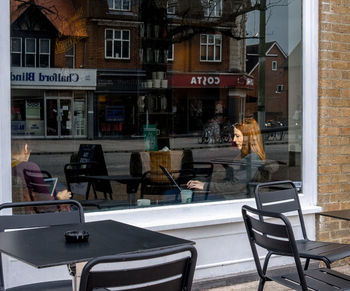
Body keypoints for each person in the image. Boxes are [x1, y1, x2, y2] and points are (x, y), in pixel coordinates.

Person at [187, 118, 266, 198]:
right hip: (231, 198)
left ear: (249, 138)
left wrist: (205, 185)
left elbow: (234, 186)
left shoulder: (252, 158)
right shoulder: (243, 155)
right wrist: (202, 180)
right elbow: (226, 177)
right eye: (234, 135)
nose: (234, 140)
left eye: (237, 136)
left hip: (237, 202)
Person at [11, 140, 71, 207]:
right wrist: (59, 198)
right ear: (26, 148)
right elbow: (48, 206)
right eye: (30, 151)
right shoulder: (29, 167)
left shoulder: (5, 167)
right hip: (32, 215)